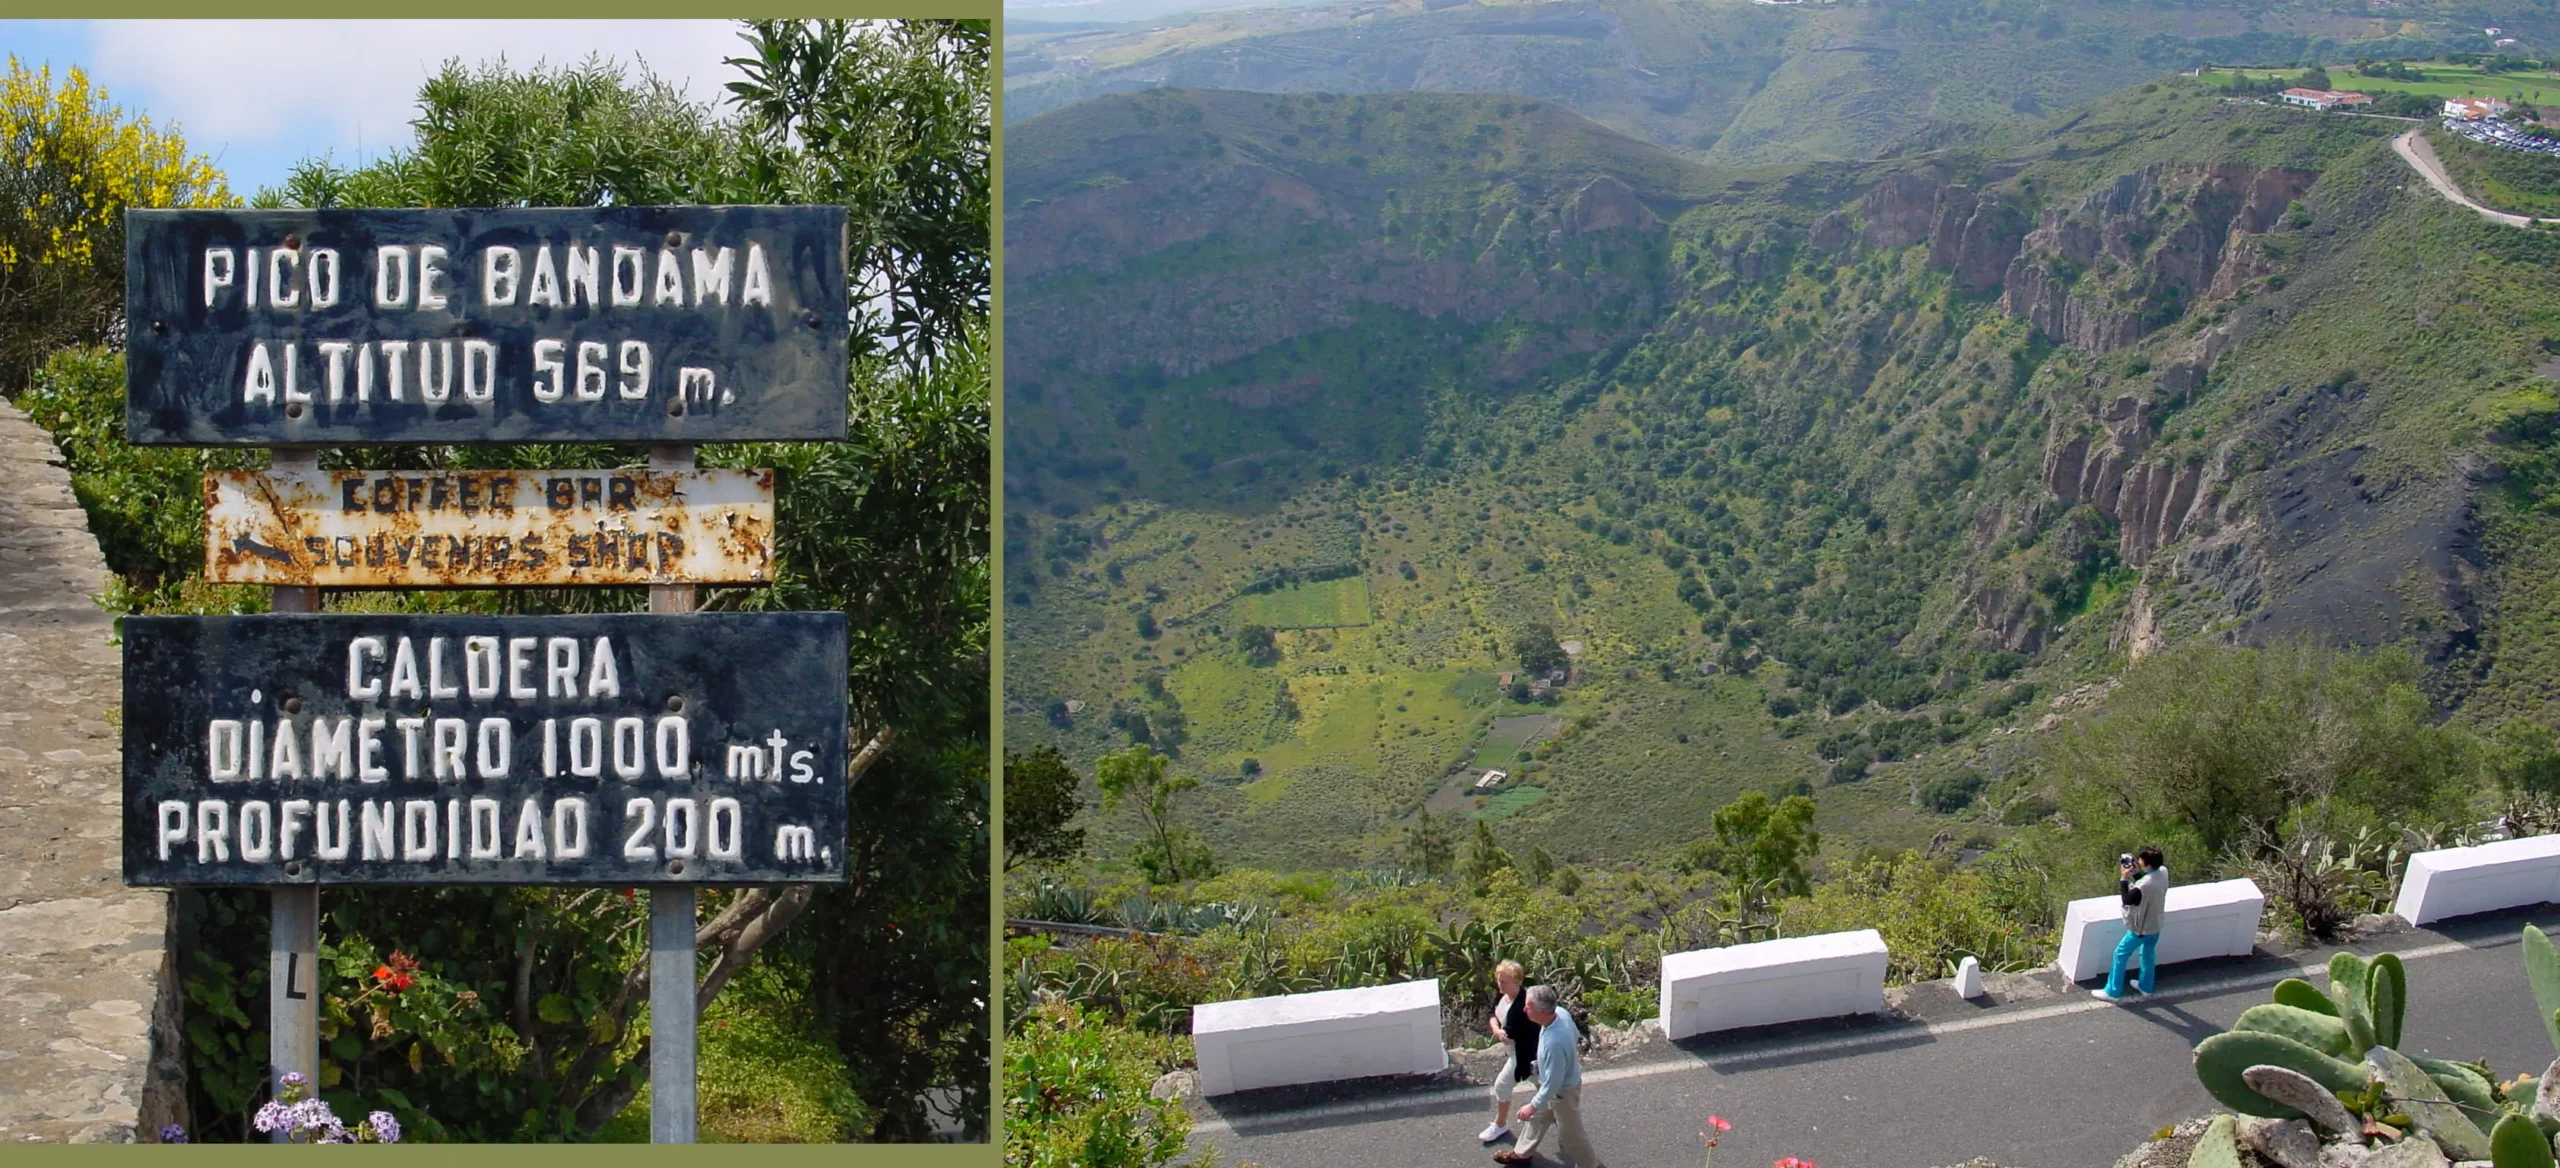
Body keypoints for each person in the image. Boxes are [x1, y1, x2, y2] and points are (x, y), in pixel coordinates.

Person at [1494, 985, 1604, 1168]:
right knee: (1538, 1118)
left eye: (1528, 1007)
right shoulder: (1561, 1013)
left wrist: (1532, 1105)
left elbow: (1554, 1083)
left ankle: (1590, 1165)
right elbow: (1575, 1035)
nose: (1524, 1009)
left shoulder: (1554, 1042)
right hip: (1556, 1086)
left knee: (1571, 1136)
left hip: (1562, 1093)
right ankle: (1522, 1154)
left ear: (1543, 1012)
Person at [2095, 845, 2168, 1002]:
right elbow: (2146, 885)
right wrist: (2136, 873)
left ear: (2147, 864)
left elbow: (2128, 899)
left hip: (2140, 929)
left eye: (2140, 860)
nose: (2138, 861)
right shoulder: (2163, 872)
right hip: (2155, 925)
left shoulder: (2143, 885)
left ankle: (2113, 991)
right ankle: (2146, 987)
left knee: (2120, 955)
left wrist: (2123, 878)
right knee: (2147, 954)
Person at [1480, 960, 1539, 1144]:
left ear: (1517, 982)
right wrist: (1497, 1029)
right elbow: (1491, 1014)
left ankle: (1500, 1123)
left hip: (1525, 1055)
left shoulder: (1522, 1005)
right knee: (1543, 1085)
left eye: (1504, 982)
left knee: (1502, 1085)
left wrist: (1497, 1030)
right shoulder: (1502, 996)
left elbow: (1508, 1035)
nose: (1500, 985)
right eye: (1499, 980)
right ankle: (1554, 1111)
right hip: (1516, 1053)